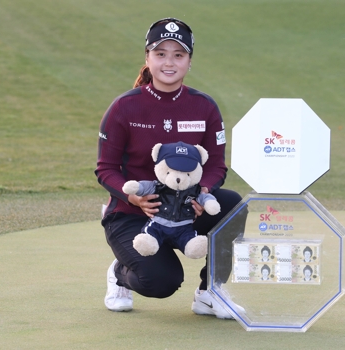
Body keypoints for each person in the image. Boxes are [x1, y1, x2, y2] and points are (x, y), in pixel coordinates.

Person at [95, 17, 244, 319]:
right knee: (162, 282)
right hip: (133, 215)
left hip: (186, 210)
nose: (169, 62)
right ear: (147, 58)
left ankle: (209, 292)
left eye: (179, 55)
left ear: (189, 61)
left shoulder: (204, 106)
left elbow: (216, 165)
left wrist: (204, 192)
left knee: (231, 205)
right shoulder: (125, 107)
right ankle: (121, 273)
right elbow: (105, 168)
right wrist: (132, 198)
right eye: (160, 53)